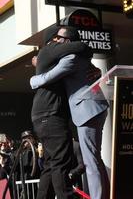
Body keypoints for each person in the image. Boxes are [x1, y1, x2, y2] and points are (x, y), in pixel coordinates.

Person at [30, 26, 110, 199]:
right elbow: (82, 52)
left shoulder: (70, 57)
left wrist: (33, 80)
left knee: (85, 161)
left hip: (86, 109)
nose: (59, 41)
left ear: (66, 41)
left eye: (61, 38)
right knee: (81, 160)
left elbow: (50, 76)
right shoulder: (55, 52)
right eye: (57, 38)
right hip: (77, 110)